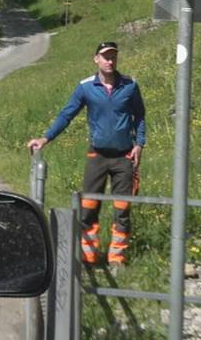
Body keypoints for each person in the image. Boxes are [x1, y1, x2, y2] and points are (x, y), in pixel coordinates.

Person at [27, 41, 146, 266]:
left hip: (125, 157)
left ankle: (116, 259)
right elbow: (67, 114)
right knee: (89, 207)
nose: (110, 61)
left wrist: (139, 144)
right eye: (105, 56)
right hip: (97, 156)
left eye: (113, 56)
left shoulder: (130, 85)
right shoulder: (86, 87)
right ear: (96, 59)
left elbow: (139, 116)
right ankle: (89, 257)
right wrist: (46, 138)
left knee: (122, 208)